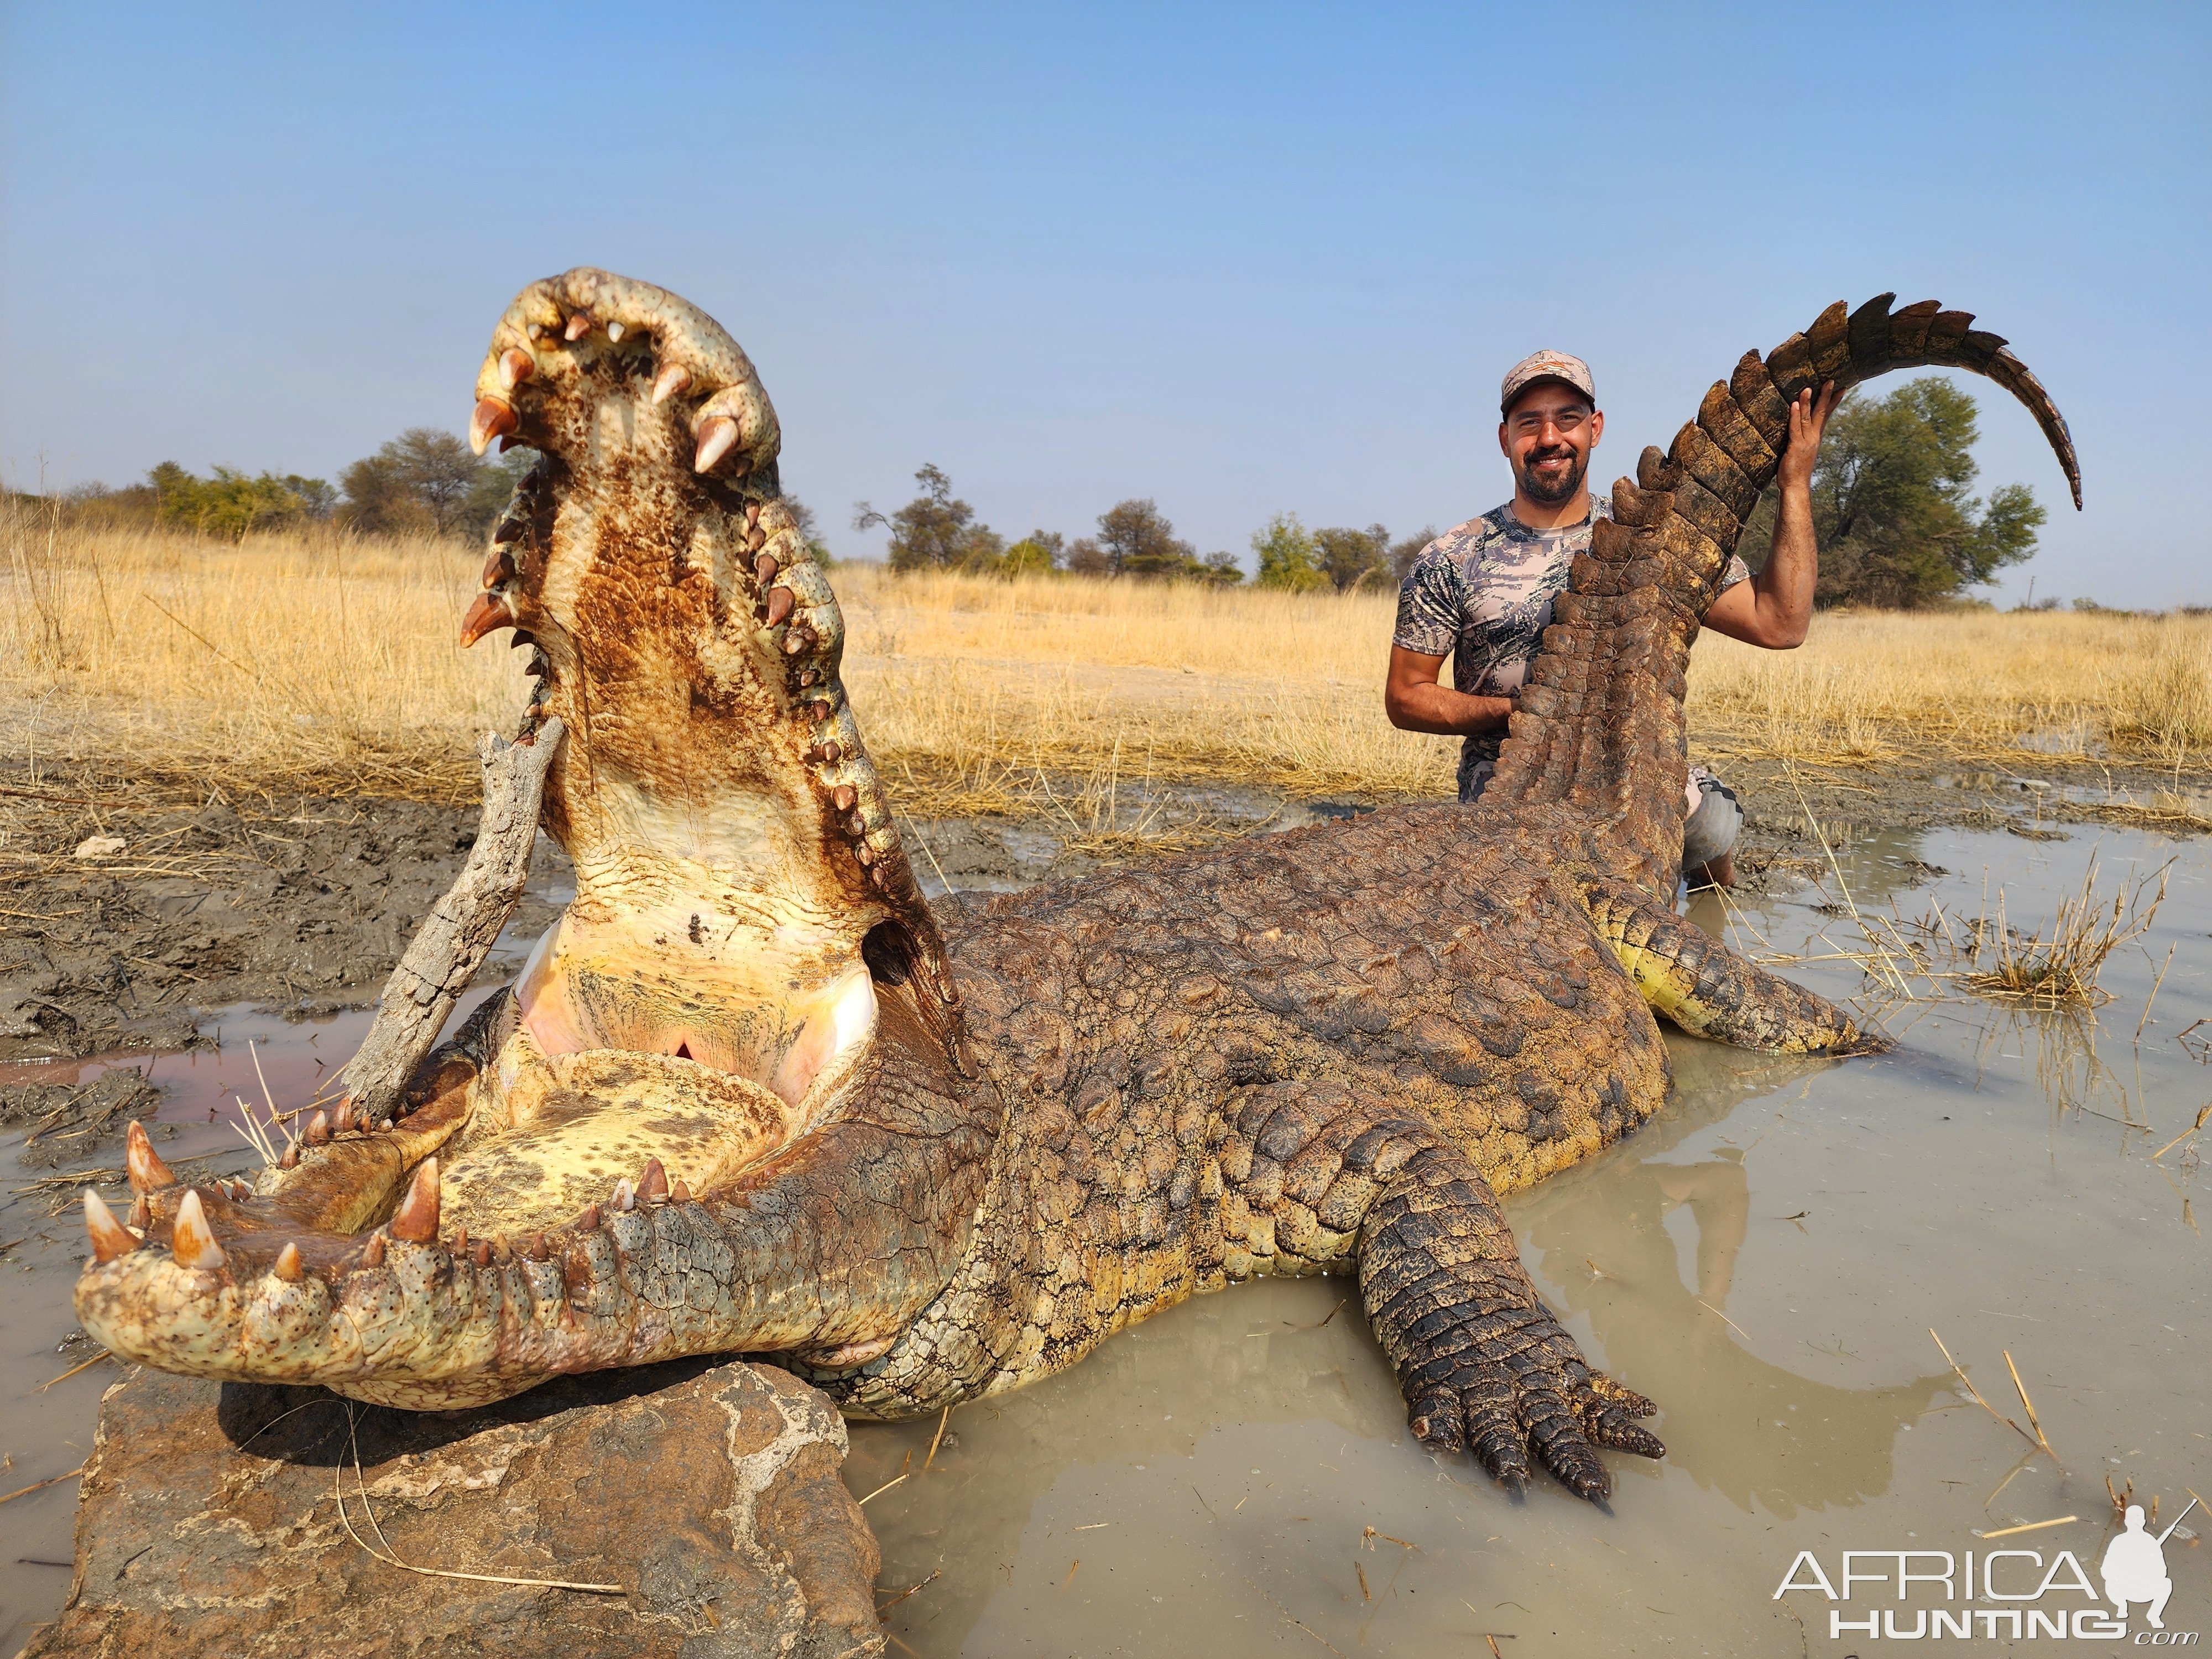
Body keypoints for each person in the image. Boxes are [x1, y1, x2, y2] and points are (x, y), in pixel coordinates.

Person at [1386, 348, 1838, 888]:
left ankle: (1717, 902)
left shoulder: (1650, 536)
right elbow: (1405, 697)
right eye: (1529, 423)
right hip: (1507, 776)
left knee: (1709, 826)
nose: (1549, 437)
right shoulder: (1451, 557)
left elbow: (1779, 624)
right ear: (1505, 438)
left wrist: (1794, 484)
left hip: (1627, 764)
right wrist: (1524, 713)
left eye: (1567, 419)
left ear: (1594, 428)